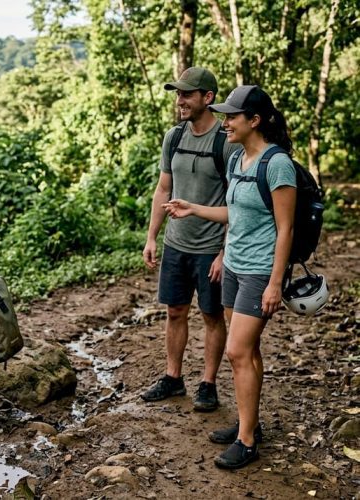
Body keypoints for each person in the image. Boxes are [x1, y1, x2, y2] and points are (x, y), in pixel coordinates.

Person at [163, 85, 296, 469]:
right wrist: (193, 209)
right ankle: (247, 422)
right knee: (248, 352)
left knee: (237, 352)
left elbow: (285, 230)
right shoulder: (238, 158)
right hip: (235, 266)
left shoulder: (278, 164)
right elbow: (234, 215)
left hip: (259, 272)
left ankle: (248, 440)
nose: (225, 123)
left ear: (254, 121)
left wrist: (274, 283)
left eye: (232, 117)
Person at [141, 68, 241, 411]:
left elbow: (237, 202)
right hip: (176, 244)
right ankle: (173, 378)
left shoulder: (225, 142)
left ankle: (208, 384)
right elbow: (163, 188)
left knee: (212, 315)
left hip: (211, 249)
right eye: (178, 94)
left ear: (207, 98)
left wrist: (224, 252)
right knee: (175, 311)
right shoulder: (174, 137)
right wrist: (152, 236)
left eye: (186, 94)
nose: (179, 101)